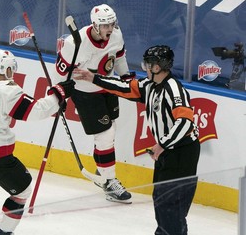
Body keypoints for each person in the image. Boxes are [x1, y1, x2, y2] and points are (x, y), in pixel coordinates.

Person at [73, 45, 201, 235]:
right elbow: (124, 87)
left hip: (182, 151)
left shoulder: (174, 89)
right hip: (169, 150)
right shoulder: (150, 86)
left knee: (171, 202)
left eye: (148, 64)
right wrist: (94, 78)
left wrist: (162, 144)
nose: (145, 68)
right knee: (161, 198)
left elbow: (185, 123)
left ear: (157, 67)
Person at [0, 40, 75, 235]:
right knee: (23, 192)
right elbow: (37, 110)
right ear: (8, 70)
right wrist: (59, 94)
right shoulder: (8, 91)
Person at [53, 4, 134, 203]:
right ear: (95, 25)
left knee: (111, 128)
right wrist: (59, 94)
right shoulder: (75, 43)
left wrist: (125, 78)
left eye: (112, 24)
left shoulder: (116, 35)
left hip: (107, 86)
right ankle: (109, 181)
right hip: (85, 92)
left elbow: (119, 57)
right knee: (105, 134)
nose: (110, 29)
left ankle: (102, 168)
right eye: (105, 25)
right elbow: (60, 70)